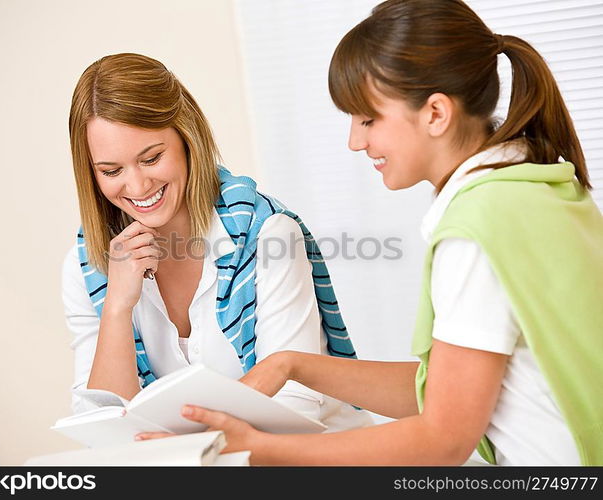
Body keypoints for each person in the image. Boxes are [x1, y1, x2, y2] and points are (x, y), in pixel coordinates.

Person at [143, 0, 603, 465]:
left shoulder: (475, 232)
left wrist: (263, 450)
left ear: (436, 113)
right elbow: (446, 388)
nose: (355, 141)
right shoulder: (538, 185)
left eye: (368, 119)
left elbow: (443, 438)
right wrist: (292, 364)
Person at [61, 53, 375, 433]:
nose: (138, 186)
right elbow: (103, 426)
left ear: (186, 139)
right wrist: (116, 308)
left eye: (152, 158)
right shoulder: (88, 266)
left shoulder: (268, 233)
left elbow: (294, 410)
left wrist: (183, 445)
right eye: (111, 170)